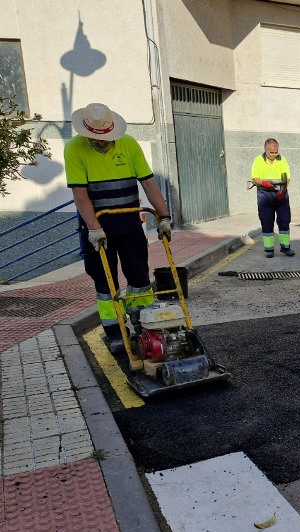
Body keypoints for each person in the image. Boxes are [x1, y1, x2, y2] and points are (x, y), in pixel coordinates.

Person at [66, 103, 172, 353]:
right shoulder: (74, 148)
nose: (102, 142)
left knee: (139, 277)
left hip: (129, 223)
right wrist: (94, 228)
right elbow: (80, 195)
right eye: (96, 138)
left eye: (106, 138)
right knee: (105, 282)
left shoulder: (129, 144)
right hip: (98, 228)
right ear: (86, 133)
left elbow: (149, 184)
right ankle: (115, 331)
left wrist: (164, 217)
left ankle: (144, 323)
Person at [251, 139, 295, 258]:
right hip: (264, 193)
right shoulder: (258, 160)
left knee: (284, 219)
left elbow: (287, 178)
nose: (274, 155)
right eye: (271, 152)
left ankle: (285, 247)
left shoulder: (282, 159)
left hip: (281, 192)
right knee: (266, 220)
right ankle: (269, 249)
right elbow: (255, 178)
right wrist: (264, 183)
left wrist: (282, 191)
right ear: (265, 150)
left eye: (276, 152)